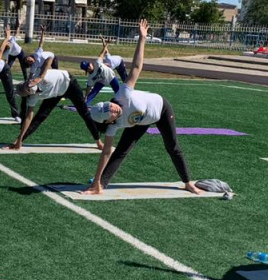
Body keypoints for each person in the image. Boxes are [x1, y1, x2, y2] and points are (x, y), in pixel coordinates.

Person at [85, 19, 203, 195]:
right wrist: (95, 181)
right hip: (140, 122)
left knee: (172, 147)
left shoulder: (123, 95)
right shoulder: (113, 126)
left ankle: (188, 182)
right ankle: (99, 185)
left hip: (161, 110)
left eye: (109, 105)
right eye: (110, 112)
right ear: (108, 120)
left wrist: (142, 38)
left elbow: (137, 67)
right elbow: (107, 152)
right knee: (122, 151)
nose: (113, 108)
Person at [9, 68, 104, 151]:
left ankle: (98, 141)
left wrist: (41, 76)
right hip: (55, 93)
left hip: (70, 84)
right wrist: (19, 139)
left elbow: (49, 58)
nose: (32, 93)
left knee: (84, 113)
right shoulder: (32, 97)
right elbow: (29, 117)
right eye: (30, 93)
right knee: (40, 116)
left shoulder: (40, 76)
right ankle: (19, 140)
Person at [82, 37, 127, 106]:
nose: (89, 67)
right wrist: (85, 97)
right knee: (94, 91)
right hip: (102, 81)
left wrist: (106, 43)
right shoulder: (91, 77)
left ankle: (124, 104)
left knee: (118, 92)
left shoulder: (97, 63)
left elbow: (103, 51)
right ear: (86, 71)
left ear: (90, 63)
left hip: (110, 77)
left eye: (88, 65)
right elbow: (88, 87)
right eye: (87, 67)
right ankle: (86, 104)